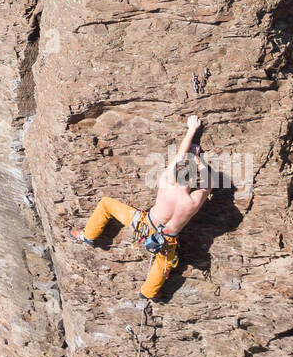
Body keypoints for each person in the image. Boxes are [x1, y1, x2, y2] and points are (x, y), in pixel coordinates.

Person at [70, 115, 211, 300]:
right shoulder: (191, 203)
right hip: (166, 241)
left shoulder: (167, 182)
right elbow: (208, 183)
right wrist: (200, 162)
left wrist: (191, 130)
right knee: (163, 263)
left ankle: (88, 236)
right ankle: (149, 292)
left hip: (142, 226)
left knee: (106, 204)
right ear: (192, 183)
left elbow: (180, 157)